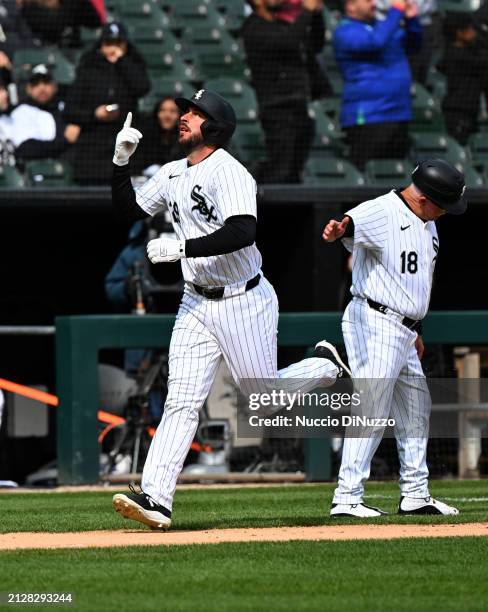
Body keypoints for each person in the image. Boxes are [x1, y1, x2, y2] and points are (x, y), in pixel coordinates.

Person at [111, 89, 350, 530]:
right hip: (196, 301)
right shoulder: (171, 173)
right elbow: (127, 207)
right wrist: (121, 163)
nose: (184, 117)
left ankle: (324, 365)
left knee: (263, 402)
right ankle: (156, 499)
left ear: (215, 127)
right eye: (186, 110)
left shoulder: (230, 172)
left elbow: (243, 231)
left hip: (244, 298)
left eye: (196, 113)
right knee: (181, 400)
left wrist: (181, 246)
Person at [322, 158, 466, 517]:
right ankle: (347, 497)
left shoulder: (427, 223)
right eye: (444, 204)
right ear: (424, 198)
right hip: (374, 318)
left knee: (416, 405)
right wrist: (341, 229)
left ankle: (416, 492)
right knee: (372, 407)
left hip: (403, 327)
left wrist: (413, 329)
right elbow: (351, 223)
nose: (446, 212)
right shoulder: (384, 210)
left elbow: (413, 283)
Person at [241, 0, 325, 183]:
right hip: (277, 109)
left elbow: (315, 44)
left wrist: (316, 14)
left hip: (298, 105)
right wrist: (307, 12)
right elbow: (288, 43)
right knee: (281, 169)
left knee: (295, 171)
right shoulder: (253, 27)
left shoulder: (283, 25)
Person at [334, 0, 422, 169]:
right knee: (370, 177)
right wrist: (396, 10)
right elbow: (375, 42)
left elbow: (414, 45)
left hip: (398, 114)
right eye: (366, 0)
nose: (373, 3)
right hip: (369, 117)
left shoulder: (383, 28)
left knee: (394, 178)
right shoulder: (345, 31)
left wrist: (412, 19)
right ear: (350, 6)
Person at [64, 21, 150, 184]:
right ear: (101, 45)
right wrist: (95, 114)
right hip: (93, 153)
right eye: (109, 43)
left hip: (124, 150)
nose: (113, 48)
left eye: (118, 43)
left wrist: (122, 61)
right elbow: (69, 110)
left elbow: (142, 87)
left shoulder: (132, 65)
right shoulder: (88, 69)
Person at [9, 64, 80, 161]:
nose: (42, 88)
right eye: (35, 84)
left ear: (55, 86)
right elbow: (27, 149)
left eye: (46, 82)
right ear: (28, 89)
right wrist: (64, 141)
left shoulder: (66, 107)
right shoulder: (22, 111)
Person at [439, 13, 488, 146]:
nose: (473, 32)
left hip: (469, 110)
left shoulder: (467, 51)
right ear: (459, 33)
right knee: (458, 145)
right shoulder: (457, 55)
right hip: (458, 111)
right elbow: (482, 61)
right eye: (470, 29)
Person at [131, 97, 185, 177]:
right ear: (156, 114)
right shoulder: (145, 138)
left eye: (173, 111)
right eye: (162, 110)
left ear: (179, 116)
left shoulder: (184, 140)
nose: (167, 115)